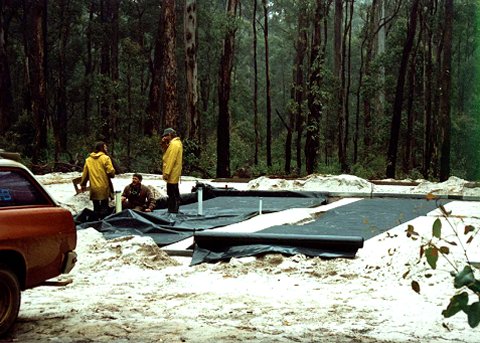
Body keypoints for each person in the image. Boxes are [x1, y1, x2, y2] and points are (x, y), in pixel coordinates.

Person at [80, 141, 116, 219]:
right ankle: (103, 223)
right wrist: (112, 174)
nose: (106, 149)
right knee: (104, 206)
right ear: (102, 148)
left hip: (93, 187)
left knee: (96, 207)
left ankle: (96, 222)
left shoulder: (88, 160)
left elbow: (85, 174)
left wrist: (83, 184)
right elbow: (110, 171)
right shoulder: (105, 158)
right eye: (105, 147)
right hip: (104, 186)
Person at [161, 128, 183, 213]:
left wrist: (167, 172)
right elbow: (167, 151)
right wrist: (164, 143)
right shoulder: (175, 143)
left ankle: (173, 210)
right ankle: (173, 209)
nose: (165, 137)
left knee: (172, 193)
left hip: (172, 173)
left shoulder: (174, 145)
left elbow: (171, 159)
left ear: (170, 135)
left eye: (166, 136)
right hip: (173, 172)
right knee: (174, 191)